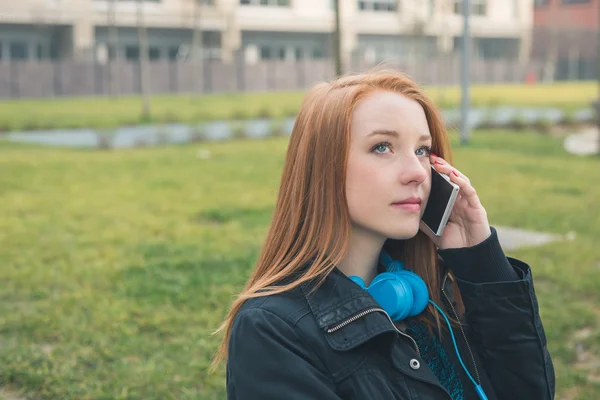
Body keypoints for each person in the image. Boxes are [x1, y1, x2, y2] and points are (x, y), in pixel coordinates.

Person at [211, 70, 555, 400]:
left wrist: (481, 264)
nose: (416, 173)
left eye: (421, 150)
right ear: (323, 168)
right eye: (382, 147)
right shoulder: (272, 330)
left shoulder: (432, 292)